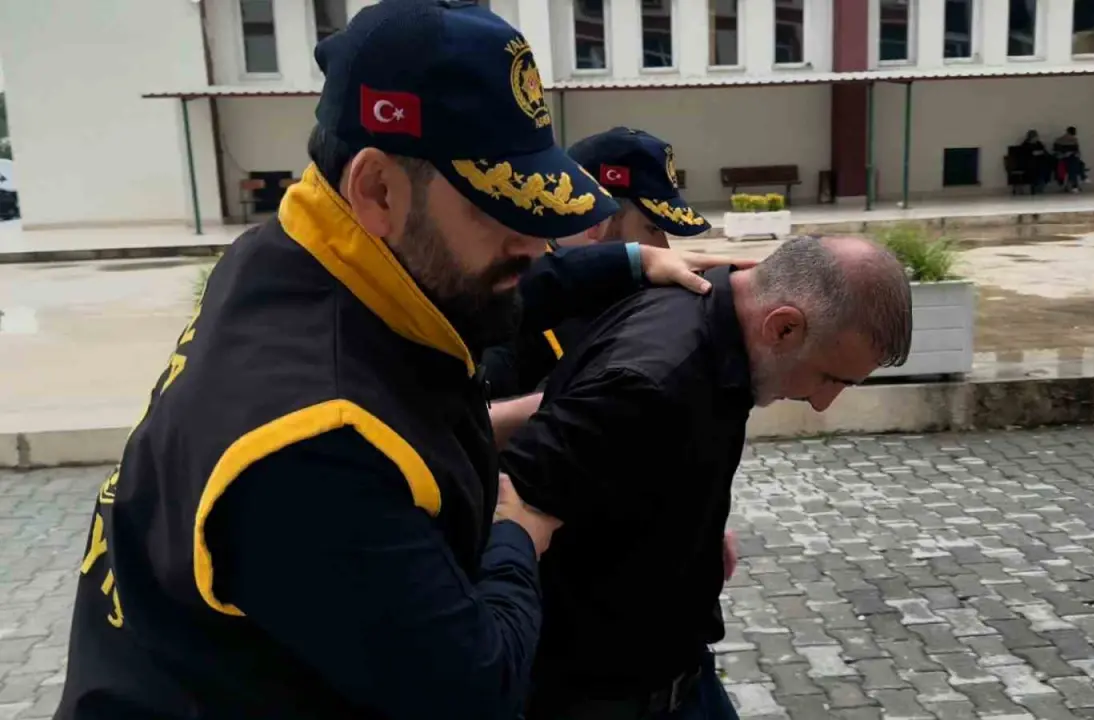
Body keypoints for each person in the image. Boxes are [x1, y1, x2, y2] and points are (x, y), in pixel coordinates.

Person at [54, 3, 745, 718]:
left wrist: (631, 261)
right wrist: (518, 528)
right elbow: (477, 692)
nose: (534, 243)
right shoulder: (314, 448)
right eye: (500, 206)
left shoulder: (289, 256)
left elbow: (487, 287)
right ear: (378, 188)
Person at [502, 236, 915, 719]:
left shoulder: (727, 325)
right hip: (608, 698)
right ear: (783, 327)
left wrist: (684, 527)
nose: (823, 404)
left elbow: (638, 462)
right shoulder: (651, 384)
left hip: (682, 671)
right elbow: (510, 510)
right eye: (830, 379)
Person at [482, 126, 712, 401]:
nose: (663, 249)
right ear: (598, 220)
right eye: (652, 229)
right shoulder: (508, 305)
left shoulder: (617, 291)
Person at [1052, 126, 1087, 193]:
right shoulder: (1059, 140)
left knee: (1075, 164)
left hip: (1072, 158)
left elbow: (1077, 151)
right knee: (1074, 165)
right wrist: (1064, 155)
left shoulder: (1074, 140)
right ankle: (1080, 180)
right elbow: (1056, 152)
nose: (1071, 137)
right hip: (1063, 159)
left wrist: (1076, 154)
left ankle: (1075, 185)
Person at [1017, 130, 1051, 194]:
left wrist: (1042, 152)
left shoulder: (1038, 143)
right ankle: (1036, 187)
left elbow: (1044, 151)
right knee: (1037, 169)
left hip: (1040, 162)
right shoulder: (1025, 145)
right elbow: (1026, 155)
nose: (1037, 138)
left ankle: (1040, 186)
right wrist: (1036, 153)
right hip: (1029, 163)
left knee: (1046, 167)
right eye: (1036, 137)